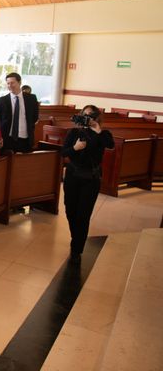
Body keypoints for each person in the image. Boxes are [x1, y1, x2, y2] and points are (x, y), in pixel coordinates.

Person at [62, 106, 114, 264]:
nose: (87, 118)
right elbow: (63, 152)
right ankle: (75, 237)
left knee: (83, 215)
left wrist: (97, 131)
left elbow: (110, 145)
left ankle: (77, 248)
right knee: (70, 211)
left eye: (90, 116)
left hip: (91, 179)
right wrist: (75, 148)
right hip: (72, 176)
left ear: (97, 117)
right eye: (84, 115)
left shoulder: (103, 134)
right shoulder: (74, 133)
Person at [0, 72, 39, 153]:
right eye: (8, 83)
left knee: (24, 164)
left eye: (12, 83)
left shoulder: (31, 98)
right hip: (7, 139)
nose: (10, 86)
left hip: (26, 138)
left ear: (19, 82)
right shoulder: (1, 101)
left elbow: (35, 117)